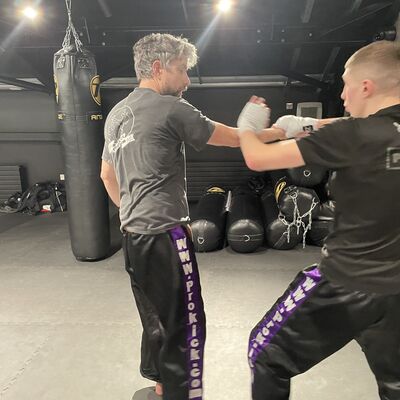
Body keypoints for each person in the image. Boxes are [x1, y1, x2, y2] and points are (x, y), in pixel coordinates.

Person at [100, 33, 284, 400]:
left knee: (155, 318)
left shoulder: (117, 114)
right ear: (158, 68)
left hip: (134, 237)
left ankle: (161, 387)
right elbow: (233, 138)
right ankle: (184, 395)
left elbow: (107, 176)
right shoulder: (172, 109)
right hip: (166, 236)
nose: (186, 81)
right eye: (182, 70)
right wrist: (277, 132)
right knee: (186, 323)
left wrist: (135, 212)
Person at [236, 39, 400, 400]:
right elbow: (355, 125)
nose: (342, 94)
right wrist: (304, 124)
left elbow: (256, 159)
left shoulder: (352, 136)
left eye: (346, 84)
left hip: (348, 281)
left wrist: (247, 127)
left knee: (265, 354)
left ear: (366, 87)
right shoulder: (364, 131)